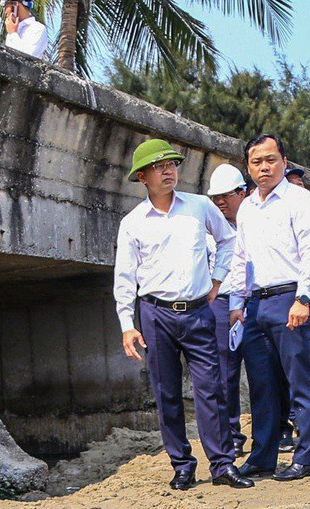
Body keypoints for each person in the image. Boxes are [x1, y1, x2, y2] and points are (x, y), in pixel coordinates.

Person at [114, 139, 253, 490]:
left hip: (198, 312)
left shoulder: (199, 207)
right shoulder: (133, 223)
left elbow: (228, 240)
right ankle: (181, 465)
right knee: (166, 392)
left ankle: (222, 464)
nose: (168, 171)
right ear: (142, 177)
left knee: (212, 389)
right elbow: (125, 277)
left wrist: (217, 280)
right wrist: (127, 325)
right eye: (159, 167)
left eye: (172, 165)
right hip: (155, 314)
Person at [228, 134, 310, 481]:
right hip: (256, 304)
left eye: (270, 159)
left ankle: (308, 456)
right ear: (248, 167)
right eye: (256, 162)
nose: (264, 167)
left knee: (300, 380)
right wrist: (237, 303)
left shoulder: (300, 200)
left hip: (290, 299)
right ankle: (263, 456)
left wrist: (303, 297)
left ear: (284, 160)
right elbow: (241, 258)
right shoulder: (248, 208)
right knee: (262, 385)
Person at [206, 163, 274, 459]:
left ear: (242, 193)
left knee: (265, 374)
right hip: (222, 305)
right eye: (215, 198)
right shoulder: (208, 232)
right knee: (225, 376)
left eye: (226, 196)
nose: (221, 203)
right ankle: (232, 435)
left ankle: (271, 432)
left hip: (258, 301)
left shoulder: (259, 221)